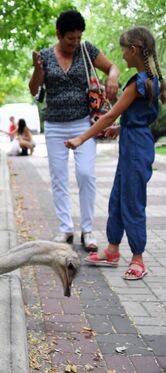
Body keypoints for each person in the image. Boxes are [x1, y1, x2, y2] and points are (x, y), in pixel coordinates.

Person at [65, 26, 165, 280]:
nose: (121, 55)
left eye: (123, 50)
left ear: (134, 50)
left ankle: (139, 259)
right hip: (135, 143)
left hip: (136, 150)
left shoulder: (137, 83)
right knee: (118, 198)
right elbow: (141, 118)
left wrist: (81, 138)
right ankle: (112, 250)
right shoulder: (154, 80)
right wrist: (121, 129)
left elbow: (109, 114)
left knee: (132, 202)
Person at [29, 9, 120, 251]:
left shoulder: (87, 49)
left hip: (83, 124)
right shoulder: (46, 56)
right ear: (59, 34)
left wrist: (112, 77)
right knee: (58, 178)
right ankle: (65, 228)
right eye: (71, 38)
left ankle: (87, 230)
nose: (76, 42)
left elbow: (113, 67)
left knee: (86, 174)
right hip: (55, 126)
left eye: (79, 37)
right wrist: (38, 69)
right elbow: (33, 89)